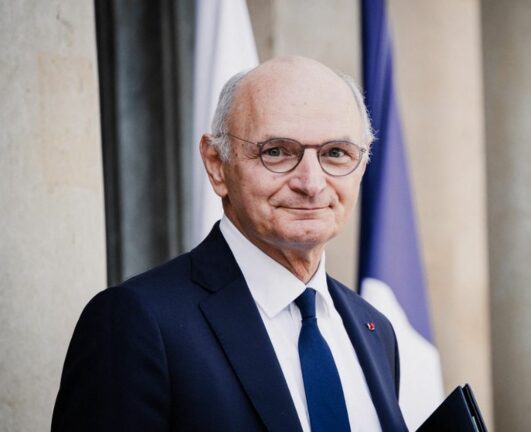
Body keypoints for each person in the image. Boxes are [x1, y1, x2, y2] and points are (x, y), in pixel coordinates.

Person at [52, 56, 408, 432]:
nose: (312, 183)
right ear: (217, 165)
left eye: (335, 153)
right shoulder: (136, 322)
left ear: (362, 164)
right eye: (277, 151)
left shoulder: (375, 329)